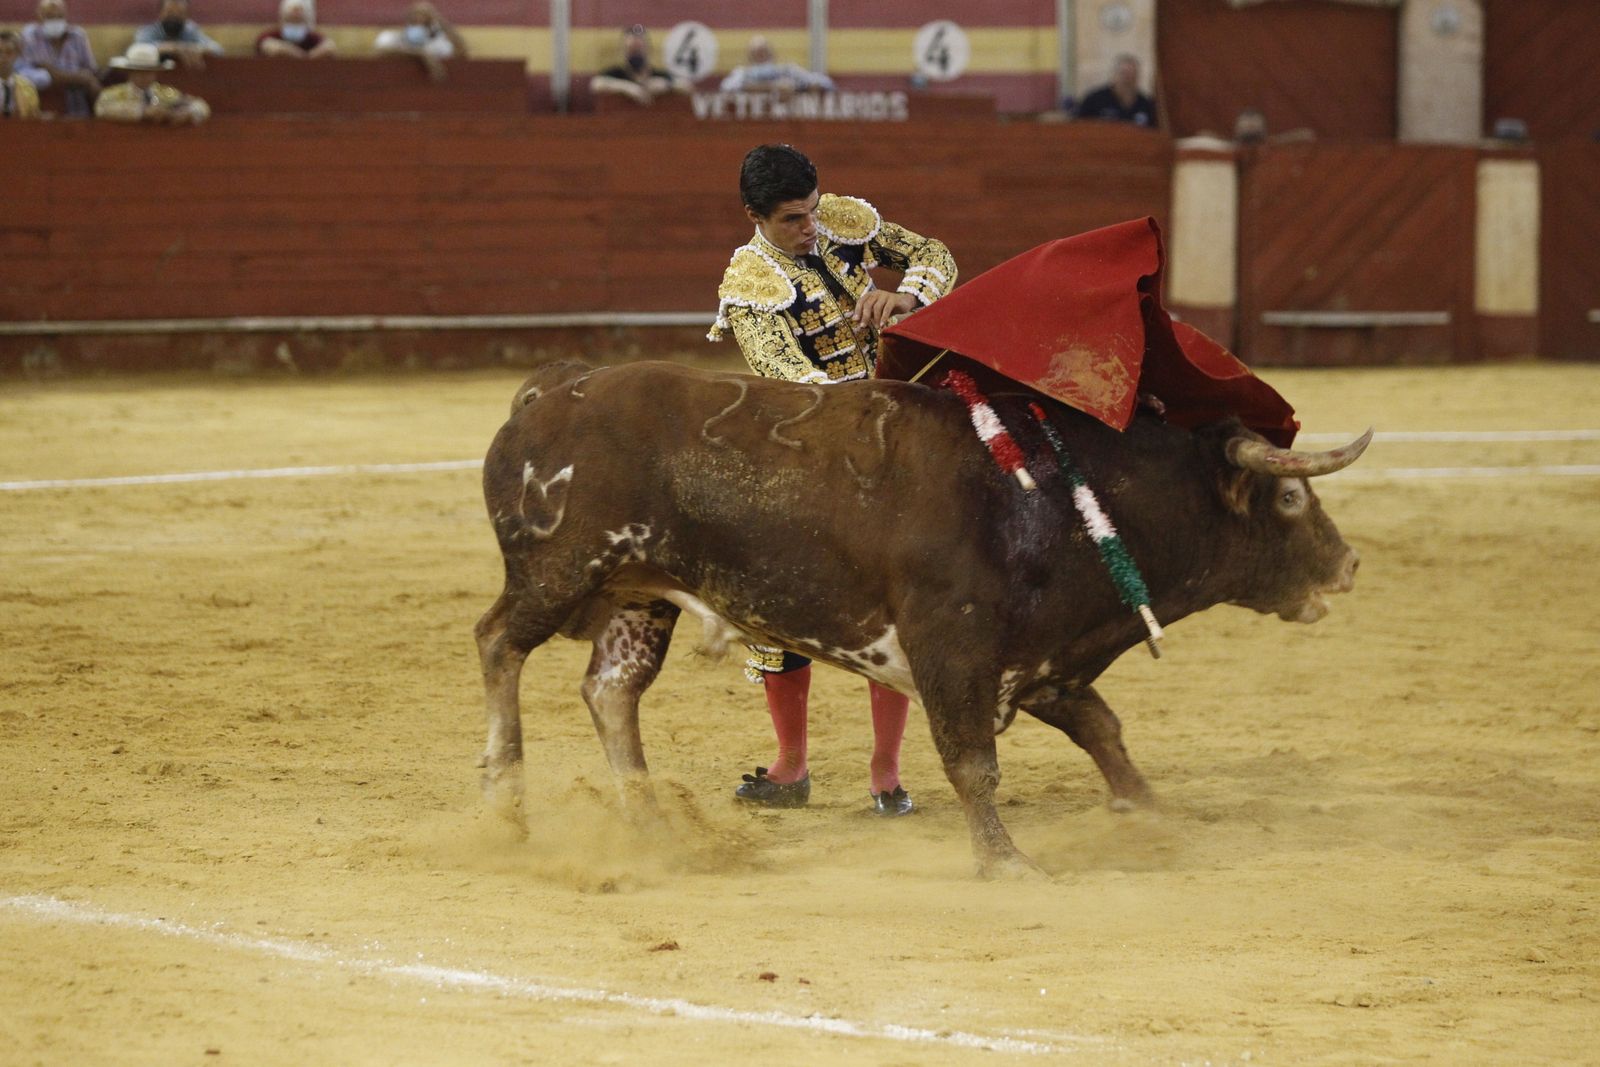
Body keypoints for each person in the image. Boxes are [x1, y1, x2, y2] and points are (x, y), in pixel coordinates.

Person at [707, 143, 958, 816]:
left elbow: (936, 255)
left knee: (895, 599)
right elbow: (790, 381)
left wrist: (903, 294)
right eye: (793, 219)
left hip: (892, 432)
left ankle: (886, 774)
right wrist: (865, 404)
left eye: (813, 211)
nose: (811, 227)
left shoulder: (845, 220)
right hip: (809, 449)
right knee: (777, 609)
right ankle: (791, 767)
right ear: (755, 216)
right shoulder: (751, 281)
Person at [94, 41, 210, 124]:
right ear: (129, 72)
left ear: (156, 72)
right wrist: (142, 112)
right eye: (139, 72)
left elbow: (201, 105)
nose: (145, 76)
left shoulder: (166, 93)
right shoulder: (113, 94)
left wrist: (189, 113)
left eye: (149, 72)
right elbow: (101, 108)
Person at [21, 0, 97, 116]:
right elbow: (38, 76)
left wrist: (53, 72)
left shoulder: (78, 35)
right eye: (50, 16)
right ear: (39, 16)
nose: (55, 20)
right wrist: (80, 78)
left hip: (77, 109)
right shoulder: (30, 35)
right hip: (43, 110)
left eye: (59, 16)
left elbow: (91, 73)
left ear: (66, 15)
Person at [589, 24, 685, 106]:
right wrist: (628, 88)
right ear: (624, 51)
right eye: (632, 50)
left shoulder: (659, 74)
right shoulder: (617, 73)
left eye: (638, 49)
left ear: (648, 49)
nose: (635, 54)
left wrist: (666, 85)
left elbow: (687, 86)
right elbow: (596, 84)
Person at [375, 2, 468, 82]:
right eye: (414, 14)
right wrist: (420, 53)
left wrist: (439, 20)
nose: (417, 18)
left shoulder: (436, 43)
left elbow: (462, 52)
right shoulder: (390, 36)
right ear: (407, 18)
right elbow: (380, 52)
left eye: (424, 15)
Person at [718, 35, 834, 94]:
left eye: (763, 53)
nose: (761, 57)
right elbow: (726, 88)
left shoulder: (787, 71)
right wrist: (772, 87)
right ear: (750, 58)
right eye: (756, 54)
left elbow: (825, 83)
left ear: (772, 54)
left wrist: (796, 87)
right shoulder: (743, 74)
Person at [134, 0, 224, 71]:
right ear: (160, 14)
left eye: (179, 13)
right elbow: (138, 50)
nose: (174, 17)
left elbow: (218, 50)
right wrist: (174, 48)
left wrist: (198, 49)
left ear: (186, 16)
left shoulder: (190, 30)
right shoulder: (149, 31)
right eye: (170, 12)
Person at [1074, 53, 1157, 128]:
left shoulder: (1146, 104)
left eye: (1133, 74)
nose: (1128, 79)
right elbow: (1078, 125)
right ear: (1114, 75)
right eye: (1124, 73)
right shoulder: (1094, 100)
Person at [257, 0, 337, 59]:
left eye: (298, 21)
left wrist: (309, 56)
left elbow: (330, 46)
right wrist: (296, 53)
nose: (294, 24)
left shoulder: (311, 37)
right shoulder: (272, 35)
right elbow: (271, 47)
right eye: (291, 21)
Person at [1, 30, 43, 119]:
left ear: (17, 54)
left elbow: (32, 121)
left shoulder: (28, 87)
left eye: (9, 52)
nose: (3, 57)